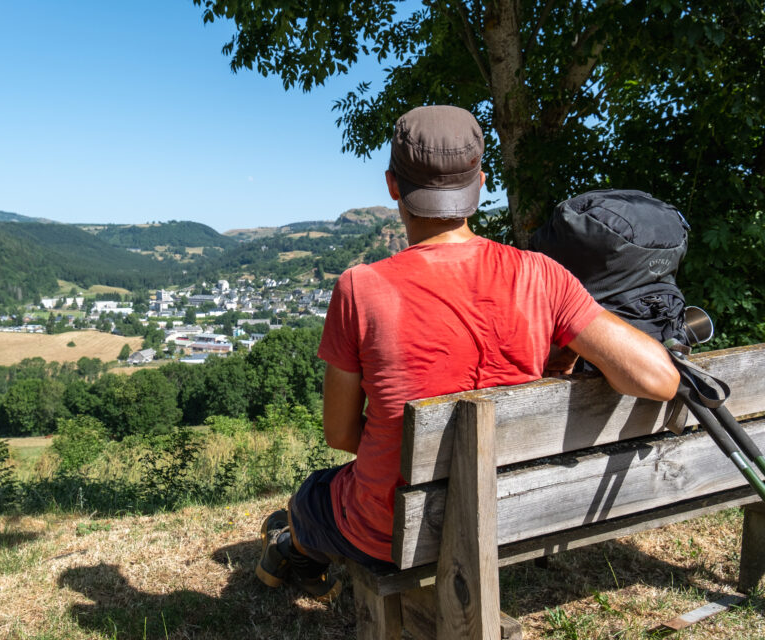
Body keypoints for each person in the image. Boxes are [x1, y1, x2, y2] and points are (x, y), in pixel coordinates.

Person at [255, 105, 680, 601]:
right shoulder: (543, 275)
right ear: (481, 182)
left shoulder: (360, 288)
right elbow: (660, 380)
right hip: (512, 510)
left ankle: (293, 549)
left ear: (393, 185)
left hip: (396, 533)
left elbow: (341, 433)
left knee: (312, 496)